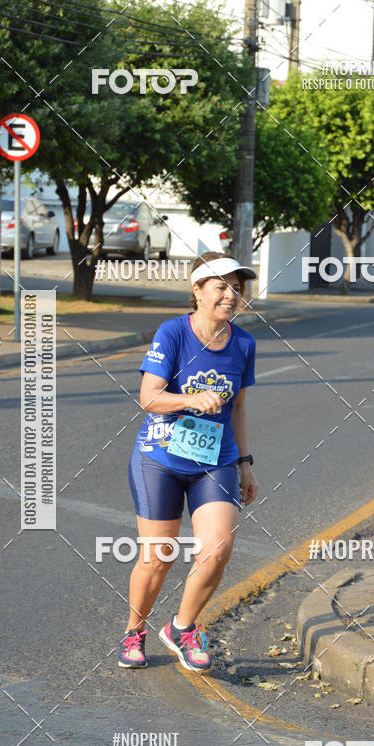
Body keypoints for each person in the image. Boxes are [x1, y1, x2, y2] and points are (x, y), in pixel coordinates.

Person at [119, 252, 259, 673]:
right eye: (222, 286)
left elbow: (238, 409)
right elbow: (149, 398)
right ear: (197, 290)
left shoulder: (244, 343)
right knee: (158, 556)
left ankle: (182, 627)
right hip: (160, 459)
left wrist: (246, 463)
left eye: (238, 287)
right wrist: (190, 399)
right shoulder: (173, 332)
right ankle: (134, 632)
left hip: (215, 461)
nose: (231, 296)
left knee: (217, 550)